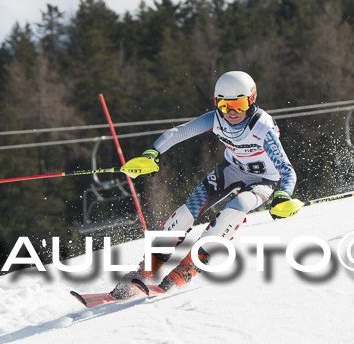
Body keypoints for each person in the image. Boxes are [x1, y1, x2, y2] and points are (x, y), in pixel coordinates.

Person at [110, 71, 300, 299]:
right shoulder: (216, 118)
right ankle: (145, 269)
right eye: (224, 105)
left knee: (235, 209)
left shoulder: (262, 128)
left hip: (263, 182)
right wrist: (152, 152)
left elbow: (287, 170)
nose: (231, 112)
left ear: (251, 100)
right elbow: (178, 132)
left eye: (238, 105)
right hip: (230, 171)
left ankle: (188, 267)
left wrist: (283, 196)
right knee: (185, 215)